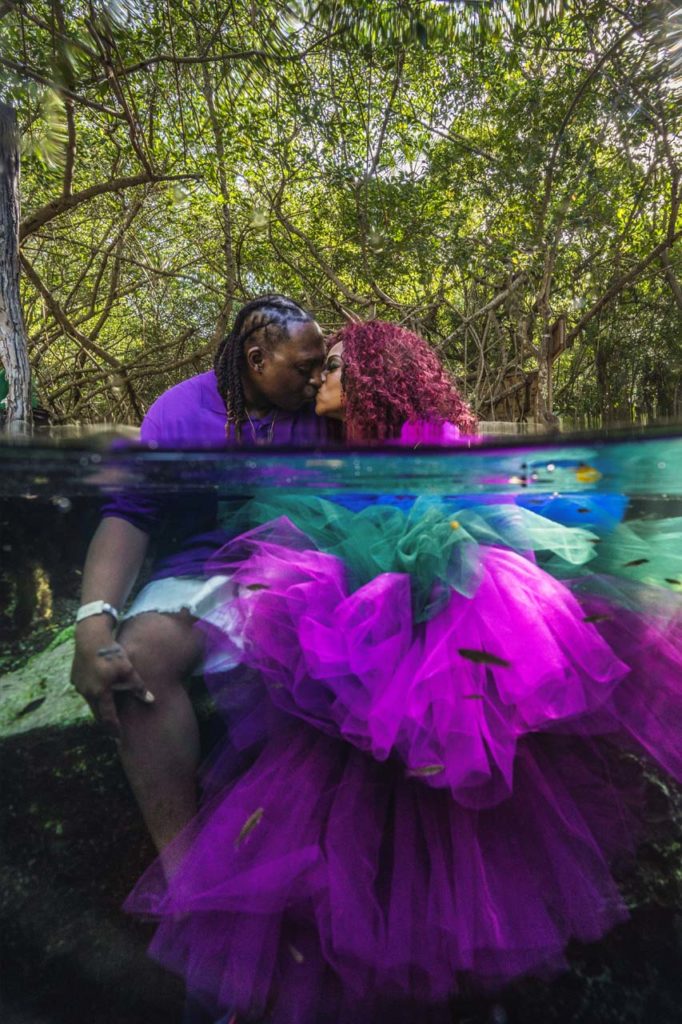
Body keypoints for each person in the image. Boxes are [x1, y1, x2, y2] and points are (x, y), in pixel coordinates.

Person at [127, 322, 682, 1023]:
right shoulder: (333, 450)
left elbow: (491, 520)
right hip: (379, 646)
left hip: (437, 633)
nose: (317, 383)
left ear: (371, 379)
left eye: (332, 370)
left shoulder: (429, 444)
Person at [71, 295, 327, 858]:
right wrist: (93, 623)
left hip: (303, 569)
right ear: (257, 359)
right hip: (199, 571)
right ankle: (183, 873)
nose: (315, 381)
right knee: (138, 661)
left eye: (322, 365)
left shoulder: (326, 409)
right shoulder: (178, 411)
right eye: (303, 368)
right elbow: (130, 515)